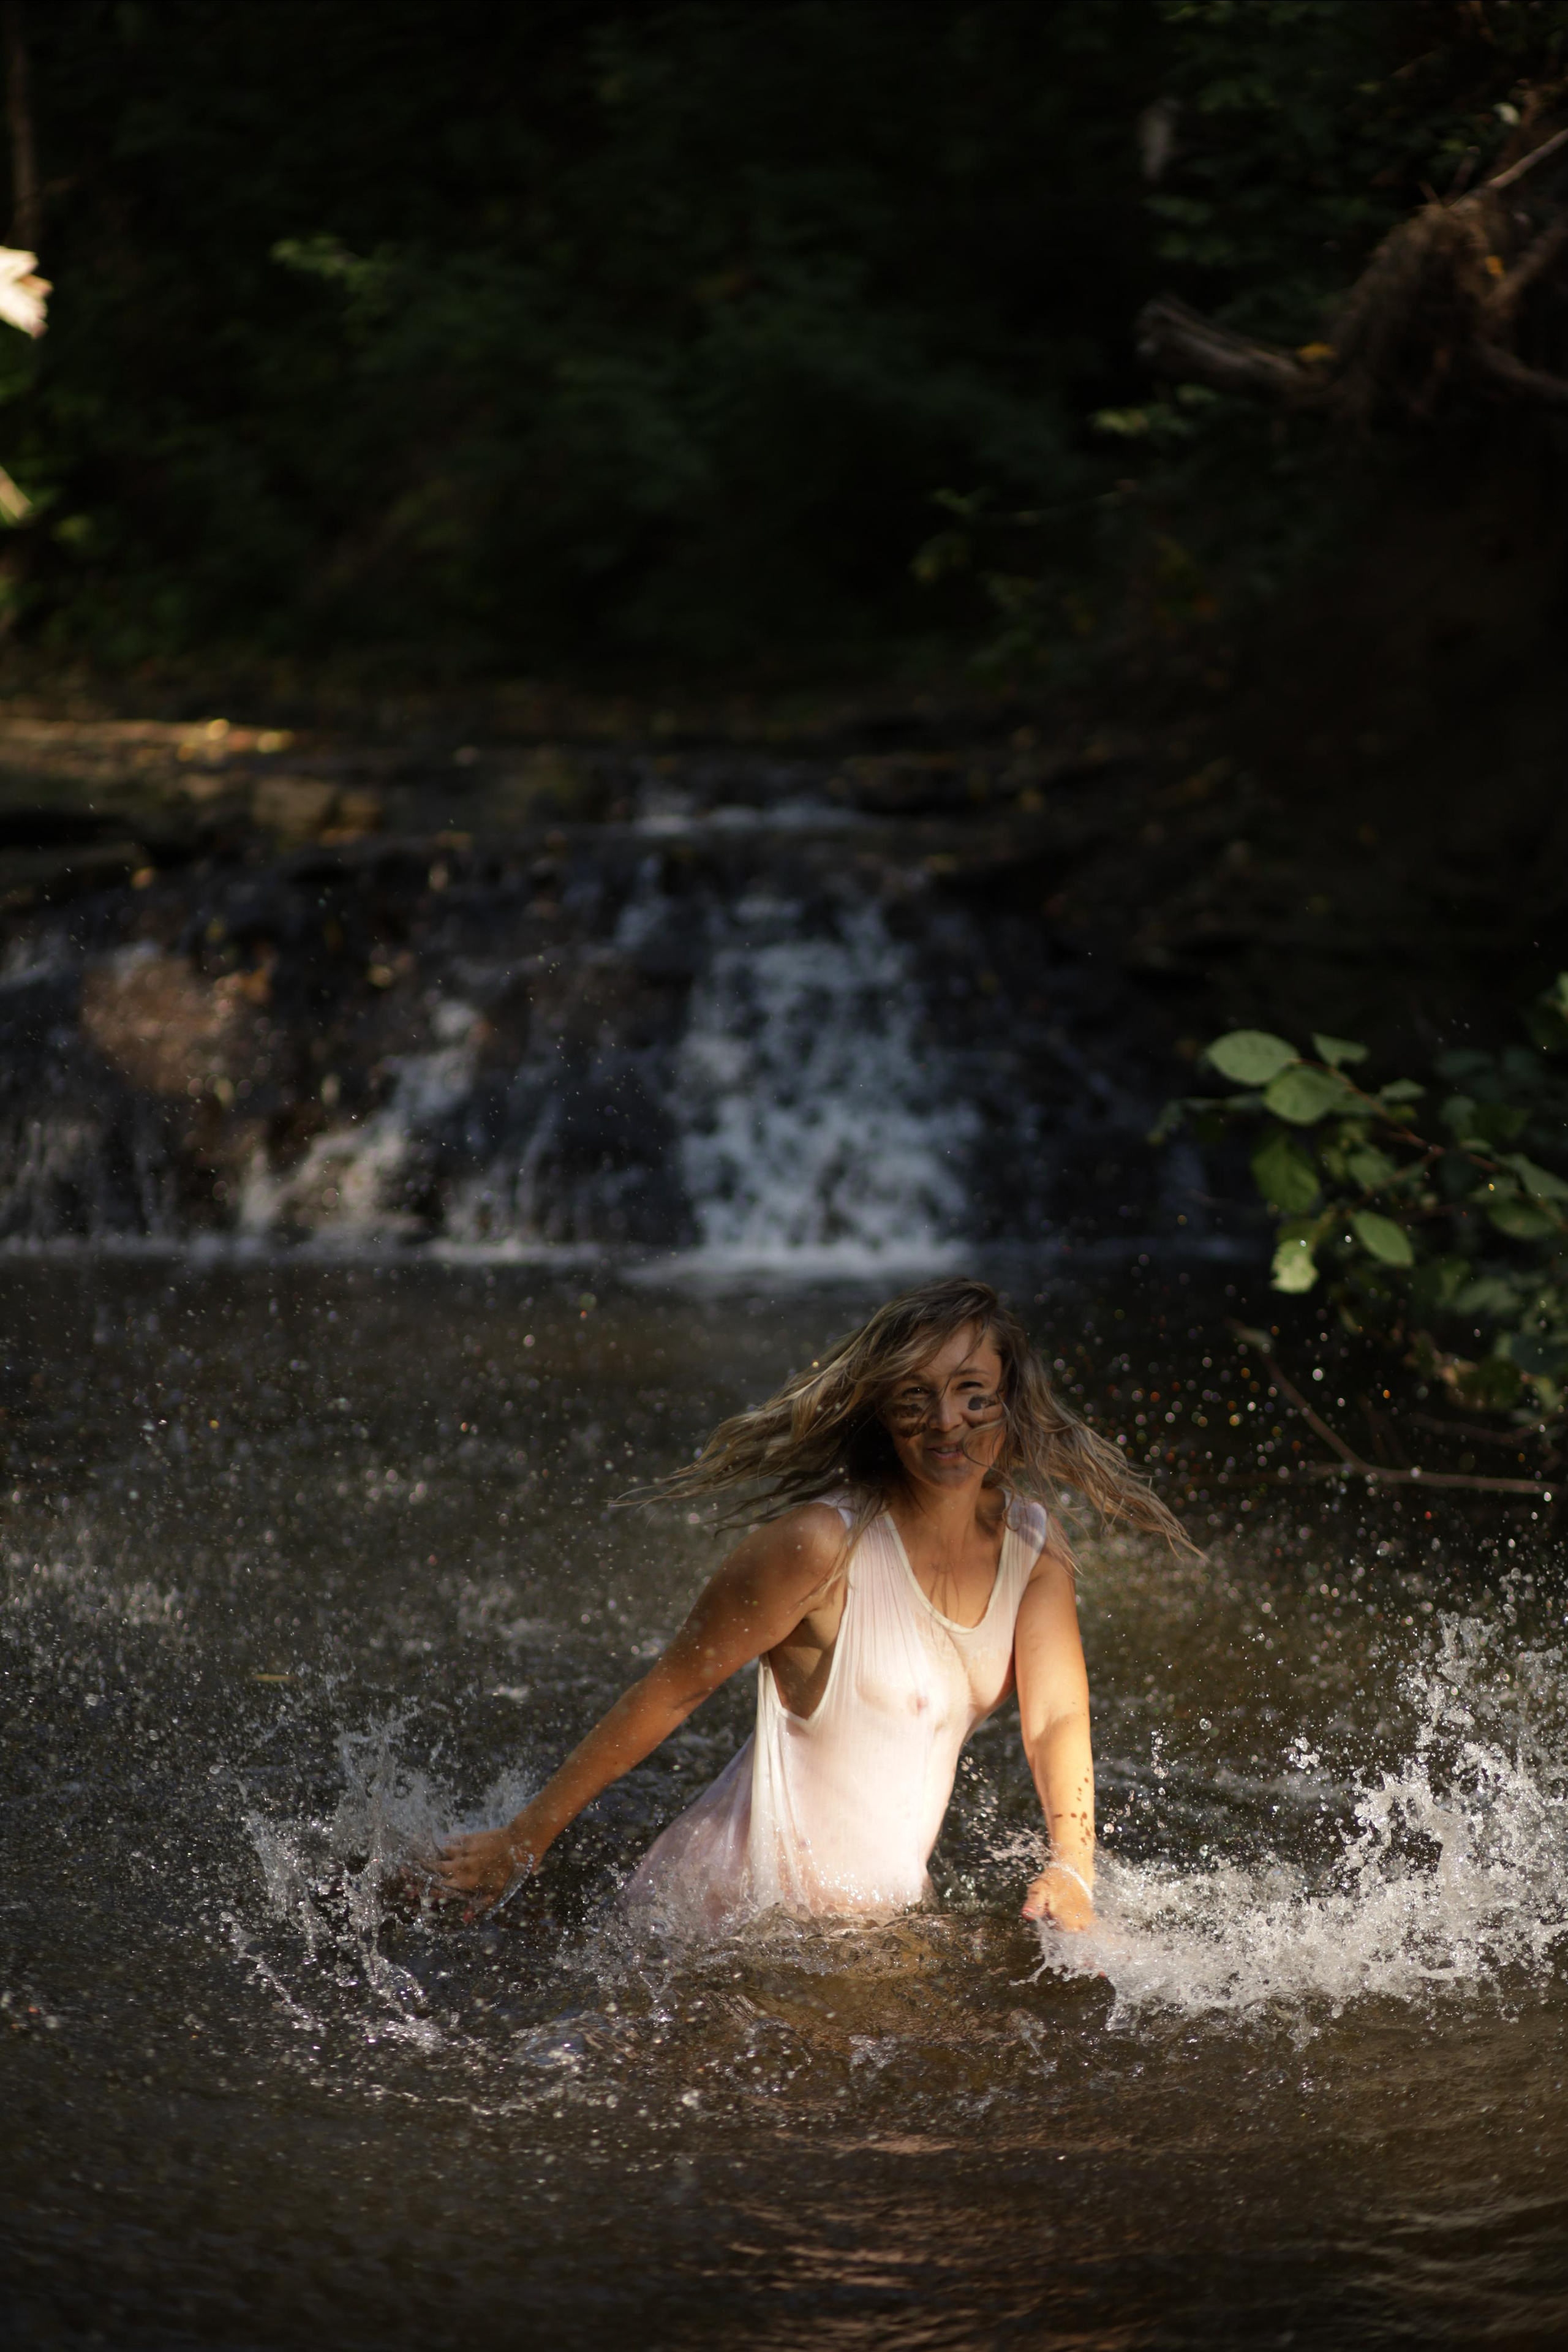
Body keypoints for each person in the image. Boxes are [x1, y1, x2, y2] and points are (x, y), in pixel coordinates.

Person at [433, 1277, 1185, 1931]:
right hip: (733, 1919)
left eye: (971, 1394)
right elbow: (671, 1690)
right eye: (914, 1398)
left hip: (875, 1922)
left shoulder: (1032, 1544)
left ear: (1010, 1402)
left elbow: (1056, 1718)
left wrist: (1072, 1868)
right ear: (883, 1415)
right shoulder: (821, 1547)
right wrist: (524, 1838)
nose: (946, 1422)